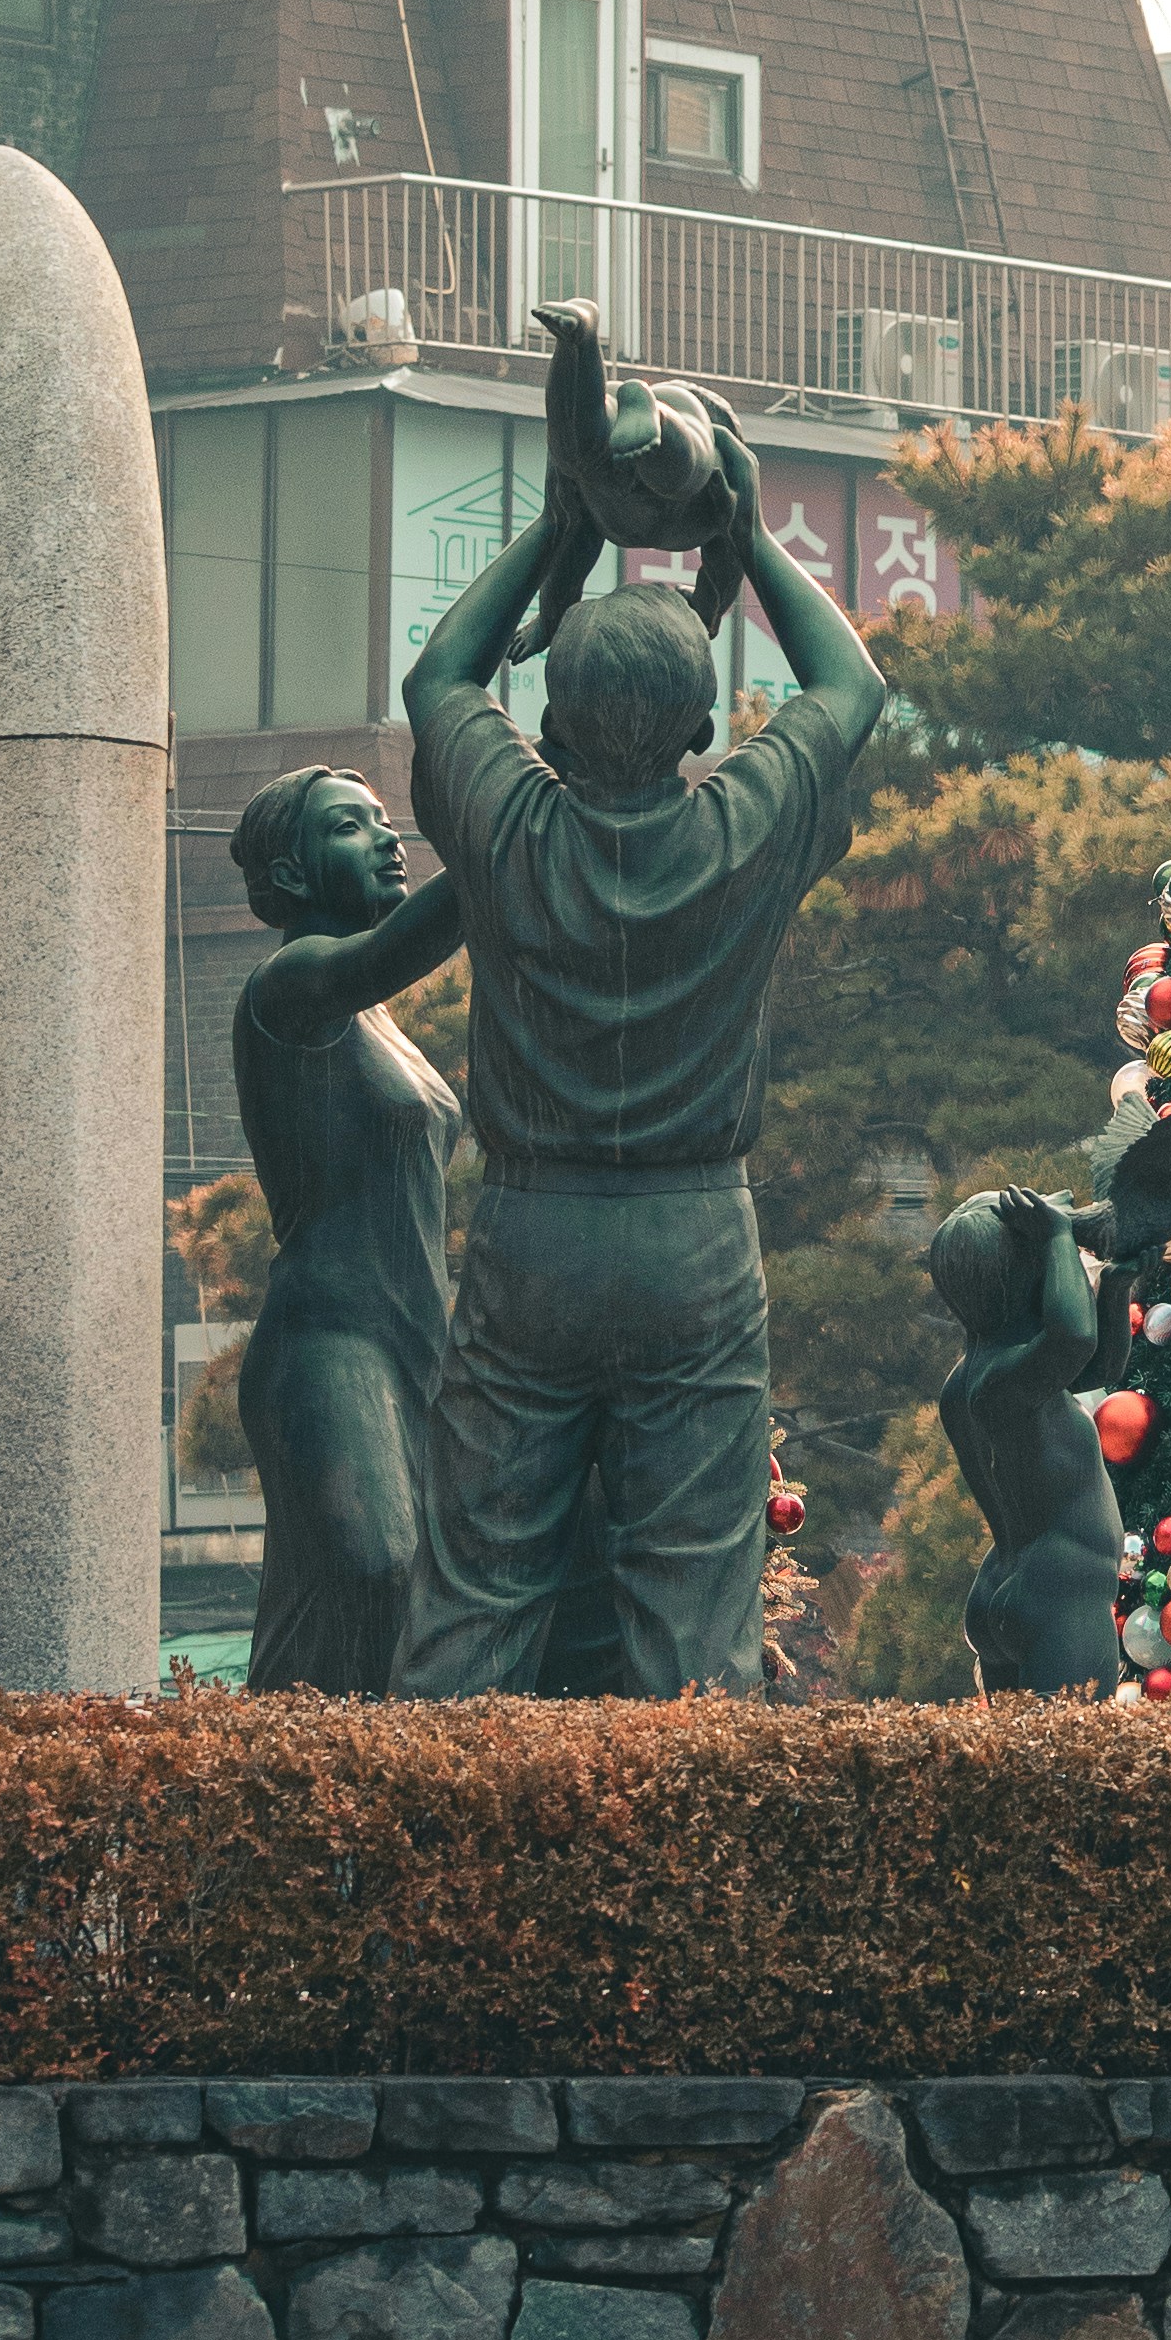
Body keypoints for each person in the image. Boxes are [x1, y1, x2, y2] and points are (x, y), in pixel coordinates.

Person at [394, 431, 884, 1700]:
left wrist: (558, 535)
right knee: (694, 1594)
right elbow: (852, 690)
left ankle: (407, 1871)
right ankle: (696, 1881)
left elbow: (442, 676)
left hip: (528, 1232)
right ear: (708, 724)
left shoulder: (509, 819)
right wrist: (750, 541)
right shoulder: (742, 822)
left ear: (548, 722)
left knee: (478, 1587)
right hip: (693, 1240)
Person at [220, 770, 467, 1696]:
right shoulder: (290, 987)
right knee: (374, 1569)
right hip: (328, 1346)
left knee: (413, 1606)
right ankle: (297, 1795)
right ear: (288, 874)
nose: (386, 839)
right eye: (348, 828)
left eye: (385, 822)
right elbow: (403, 945)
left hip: (416, 1346)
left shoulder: (380, 1020)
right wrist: (504, 827)